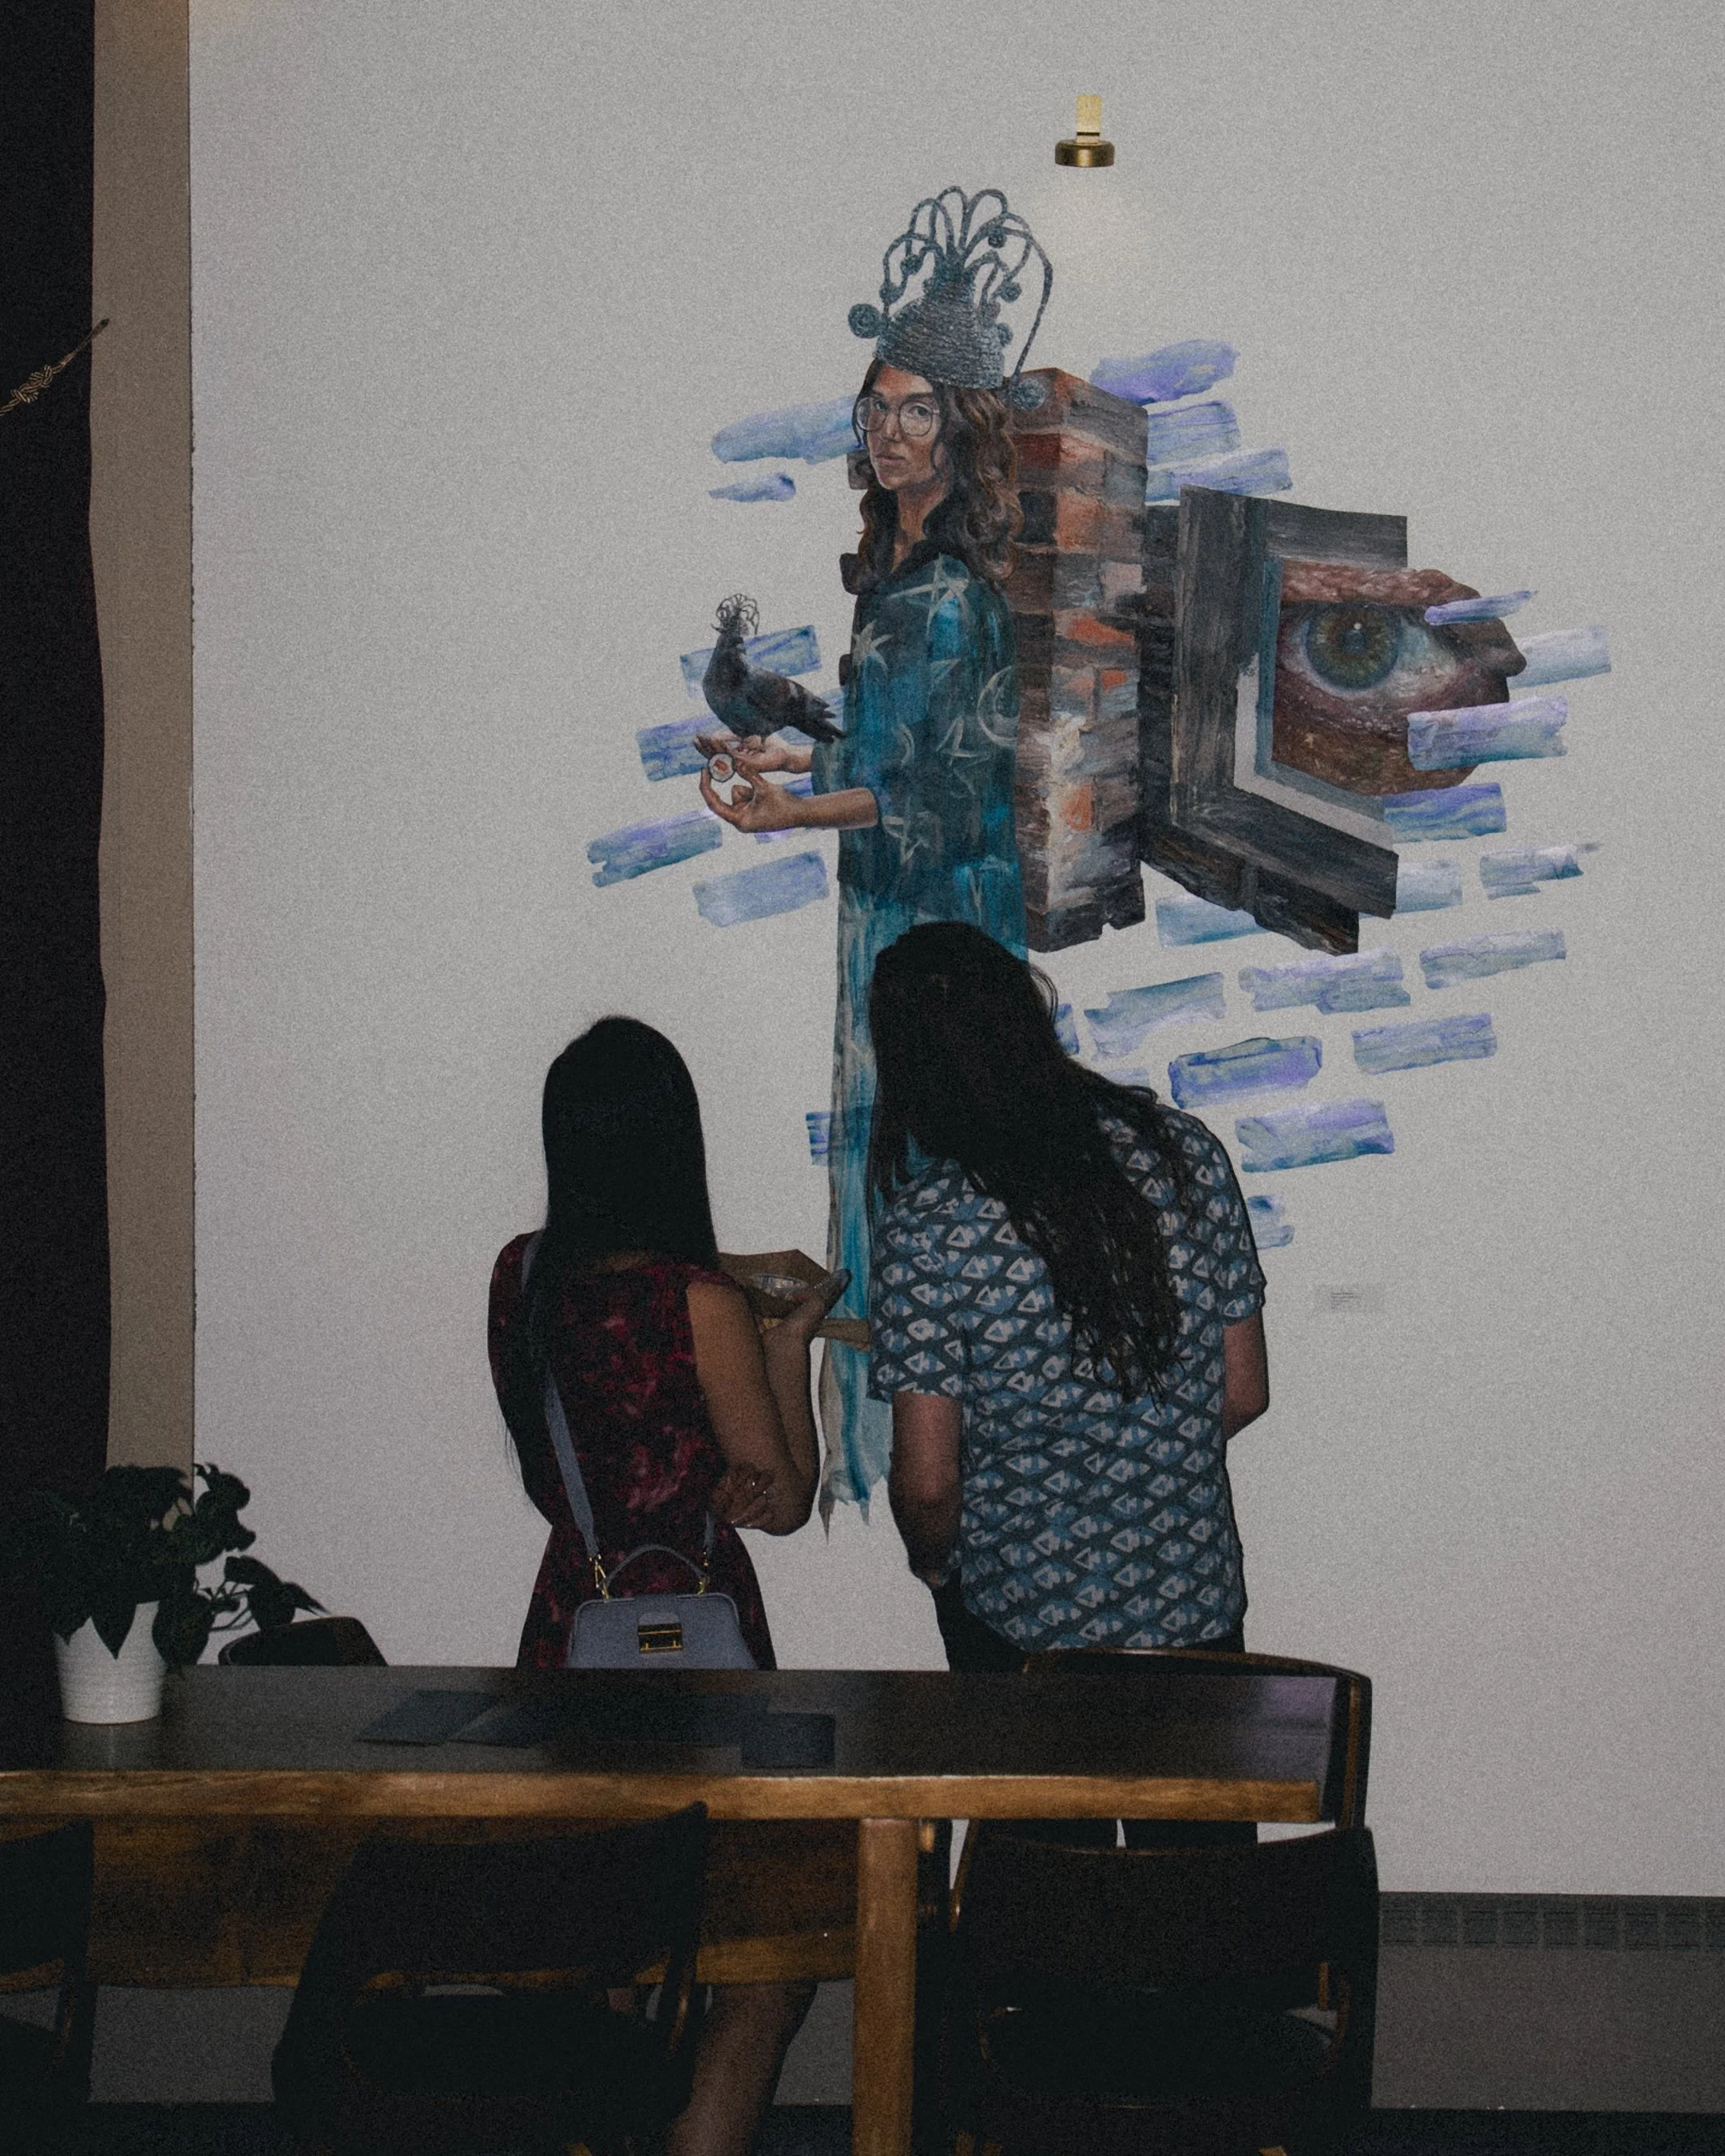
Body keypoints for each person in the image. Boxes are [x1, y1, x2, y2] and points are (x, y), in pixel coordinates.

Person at [701, 184, 1052, 1513]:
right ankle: (924, 1436)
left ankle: (955, 1451)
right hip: (888, 906)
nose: (891, 431)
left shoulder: (956, 588)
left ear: (958, 432)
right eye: (876, 405)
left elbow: (957, 793)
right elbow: (884, 753)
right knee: (895, 1162)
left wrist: (797, 813)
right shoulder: (893, 572)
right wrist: (784, 767)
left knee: (933, 1163)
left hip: (944, 925)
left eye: (918, 409)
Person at [487, 1016, 839, 2156]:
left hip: (569, 1625)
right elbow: (781, 1502)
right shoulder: (702, 1305)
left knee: (601, 1938)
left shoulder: (521, 1277)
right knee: (763, 1948)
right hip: (699, 1651)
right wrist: (790, 1350)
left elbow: (554, 1458)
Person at [864, 923, 1271, 1674]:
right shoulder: (1184, 1155)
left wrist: (934, 1561)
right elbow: (1243, 1392)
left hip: (1027, 1636)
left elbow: (927, 1484)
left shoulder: (930, 1225)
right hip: (1198, 1611)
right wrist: (1143, 1474)